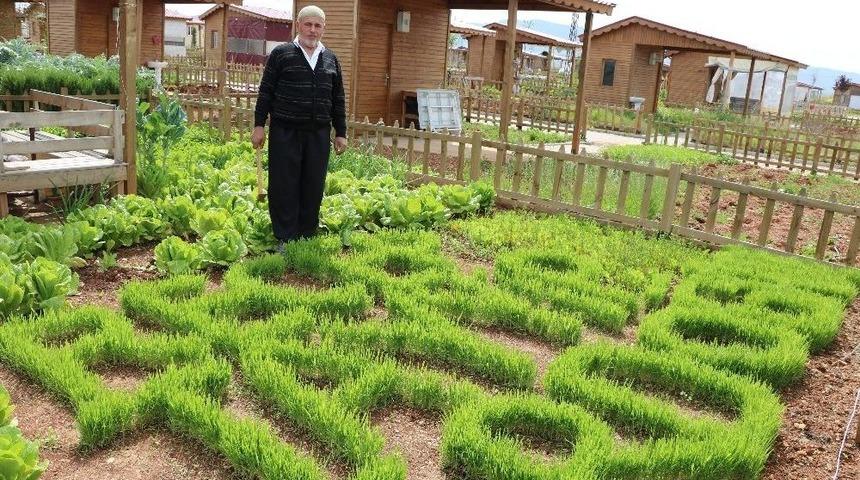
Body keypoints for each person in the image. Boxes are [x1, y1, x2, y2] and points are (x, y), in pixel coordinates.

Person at [251, 5, 348, 249]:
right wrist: (259, 125)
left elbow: (337, 98)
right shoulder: (282, 54)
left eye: (318, 25)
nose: (313, 30)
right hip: (286, 131)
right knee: (284, 184)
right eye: (308, 24)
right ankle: (285, 236)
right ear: (298, 25)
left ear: (323, 28)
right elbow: (266, 92)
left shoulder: (330, 58)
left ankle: (306, 233)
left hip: (318, 132)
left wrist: (341, 132)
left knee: (313, 184)